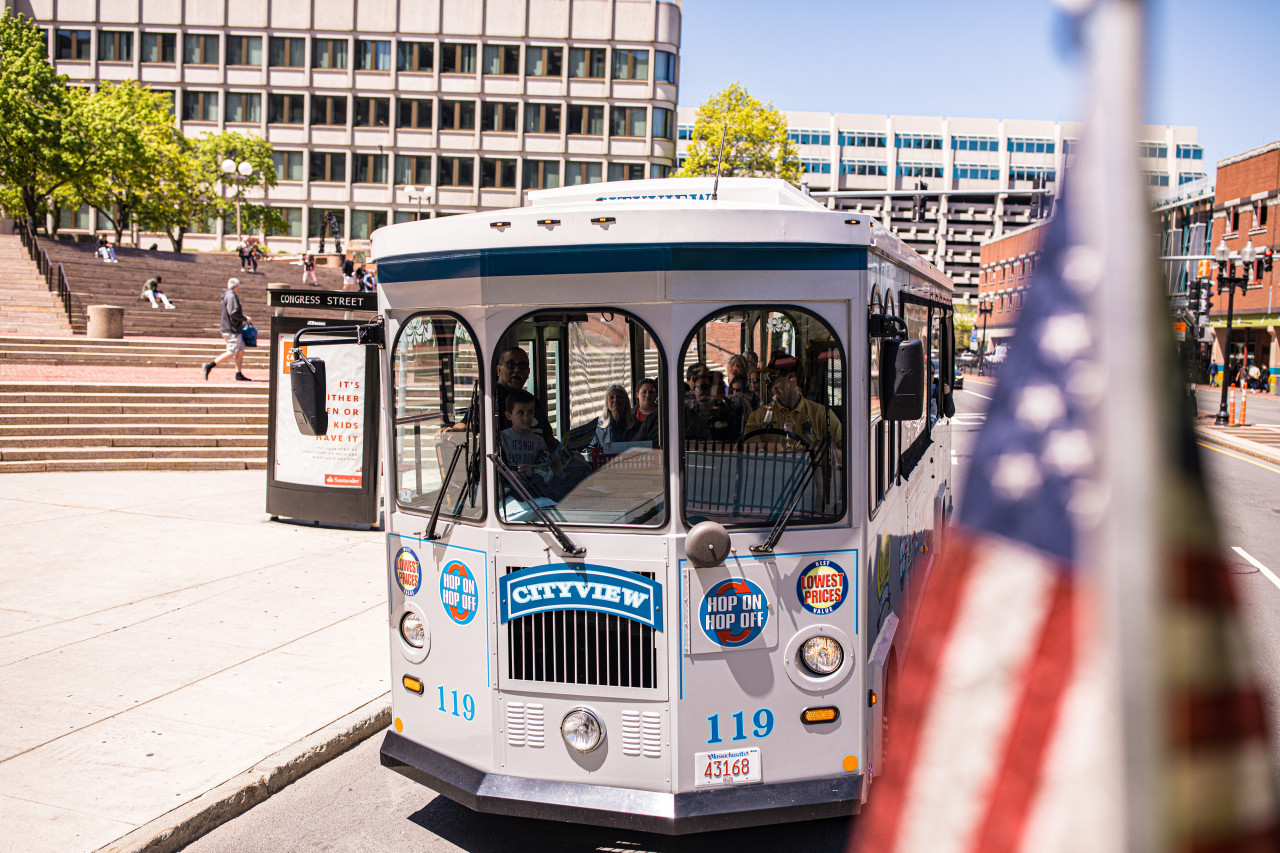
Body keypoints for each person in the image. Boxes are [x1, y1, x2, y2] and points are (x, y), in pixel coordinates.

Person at [744, 354, 843, 457]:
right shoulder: (757, 417)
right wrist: (804, 449)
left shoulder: (822, 415)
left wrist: (829, 451)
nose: (767, 382)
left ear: (791, 378)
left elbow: (845, 453)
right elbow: (750, 455)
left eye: (772, 377)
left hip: (809, 473)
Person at [500, 388, 553, 485]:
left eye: (530, 412)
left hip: (534, 491)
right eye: (520, 413)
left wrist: (533, 471)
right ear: (509, 416)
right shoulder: (501, 439)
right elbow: (489, 470)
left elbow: (548, 469)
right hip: (508, 492)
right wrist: (508, 474)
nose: (526, 418)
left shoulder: (539, 441)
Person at [203, 278, 252, 381]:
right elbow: (233, 312)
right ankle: (209, 366)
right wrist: (244, 318)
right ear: (237, 286)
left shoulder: (227, 295)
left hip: (232, 328)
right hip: (231, 328)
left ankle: (238, 373)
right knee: (232, 351)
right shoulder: (231, 296)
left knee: (240, 350)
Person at [594, 385, 639, 450]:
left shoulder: (636, 425)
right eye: (612, 397)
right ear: (607, 404)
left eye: (619, 397)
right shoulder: (598, 429)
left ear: (626, 402)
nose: (615, 400)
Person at [633, 377, 660, 446]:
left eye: (651, 392)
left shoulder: (662, 415)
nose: (647, 395)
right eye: (644, 392)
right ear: (637, 394)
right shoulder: (630, 415)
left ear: (657, 395)